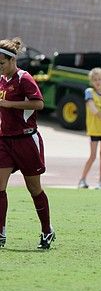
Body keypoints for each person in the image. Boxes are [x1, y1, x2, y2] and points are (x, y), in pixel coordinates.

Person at [0, 37, 54, 249]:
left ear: (12, 61)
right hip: (4, 140)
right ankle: (1, 232)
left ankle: (47, 230)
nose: (0, 68)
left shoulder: (25, 78)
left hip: (26, 141)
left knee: (34, 189)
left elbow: (39, 104)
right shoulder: (2, 80)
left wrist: (9, 104)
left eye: (1, 63)